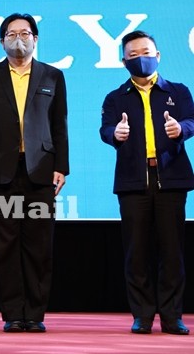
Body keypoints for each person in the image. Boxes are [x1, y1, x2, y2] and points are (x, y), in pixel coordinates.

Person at [0, 13, 69, 333]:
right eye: (11, 34)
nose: (18, 39)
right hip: (0, 175)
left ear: (36, 39)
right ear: (2, 41)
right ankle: (13, 314)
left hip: (40, 172)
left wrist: (61, 167)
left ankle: (35, 314)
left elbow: (60, 125)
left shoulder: (53, 76)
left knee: (39, 246)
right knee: (5, 246)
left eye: (25, 33)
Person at [100, 30, 193, 336]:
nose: (141, 59)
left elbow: (193, 120)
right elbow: (106, 129)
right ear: (124, 61)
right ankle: (142, 315)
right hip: (132, 181)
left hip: (170, 178)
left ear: (158, 56)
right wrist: (116, 134)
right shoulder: (115, 97)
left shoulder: (178, 92)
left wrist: (181, 128)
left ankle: (171, 316)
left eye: (146, 52)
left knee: (171, 251)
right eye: (134, 55)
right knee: (136, 252)